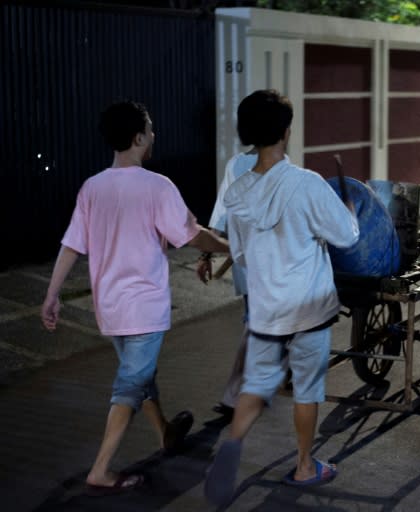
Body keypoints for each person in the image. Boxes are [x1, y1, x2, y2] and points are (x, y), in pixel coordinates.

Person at [40, 100, 230, 494]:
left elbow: (71, 245)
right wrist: (229, 246)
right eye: (151, 129)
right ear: (139, 137)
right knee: (130, 384)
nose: (155, 135)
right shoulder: (157, 186)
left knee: (140, 375)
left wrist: (52, 294)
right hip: (144, 306)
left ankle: (165, 432)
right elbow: (191, 235)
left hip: (109, 308)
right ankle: (101, 470)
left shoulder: (92, 187)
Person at [204, 89, 359, 506]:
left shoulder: (237, 193)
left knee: (257, 384)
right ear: (287, 132)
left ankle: (233, 440)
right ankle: (306, 465)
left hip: (266, 308)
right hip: (309, 308)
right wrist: (346, 210)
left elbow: (237, 253)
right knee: (307, 388)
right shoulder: (306, 184)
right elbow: (346, 236)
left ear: (247, 133)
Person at [196, 92, 261, 419]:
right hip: (270, 266)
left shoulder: (237, 164)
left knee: (257, 322)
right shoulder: (287, 171)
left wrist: (206, 254)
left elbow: (220, 215)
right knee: (257, 324)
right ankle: (236, 393)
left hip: (249, 265)